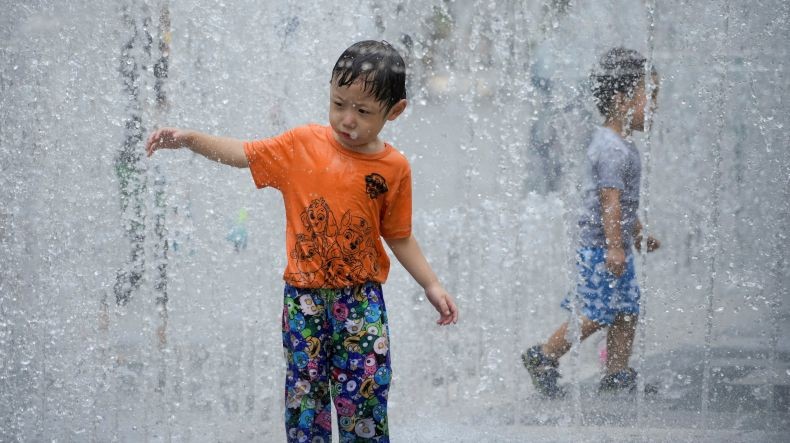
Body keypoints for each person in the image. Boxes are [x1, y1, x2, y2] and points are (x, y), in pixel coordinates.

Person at [145, 40, 459, 442]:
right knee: (305, 400)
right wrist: (189, 138)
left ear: (394, 112)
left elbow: (398, 235)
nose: (347, 119)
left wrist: (431, 284)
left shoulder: (393, 168)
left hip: (360, 301)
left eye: (363, 111)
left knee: (364, 398)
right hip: (303, 301)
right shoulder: (301, 145)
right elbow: (243, 153)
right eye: (338, 103)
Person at [522, 47, 660, 398]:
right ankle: (544, 355)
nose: (656, 105)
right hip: (600, 247)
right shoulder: (612, 148)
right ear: (621, 99)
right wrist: (616, 246)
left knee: (627, 311)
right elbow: (609, 202)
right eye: (650, 96)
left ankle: (617, 373)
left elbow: (625, 203)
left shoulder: (623, 145)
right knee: (597, 313)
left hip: (614, 244)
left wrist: (638, 233)